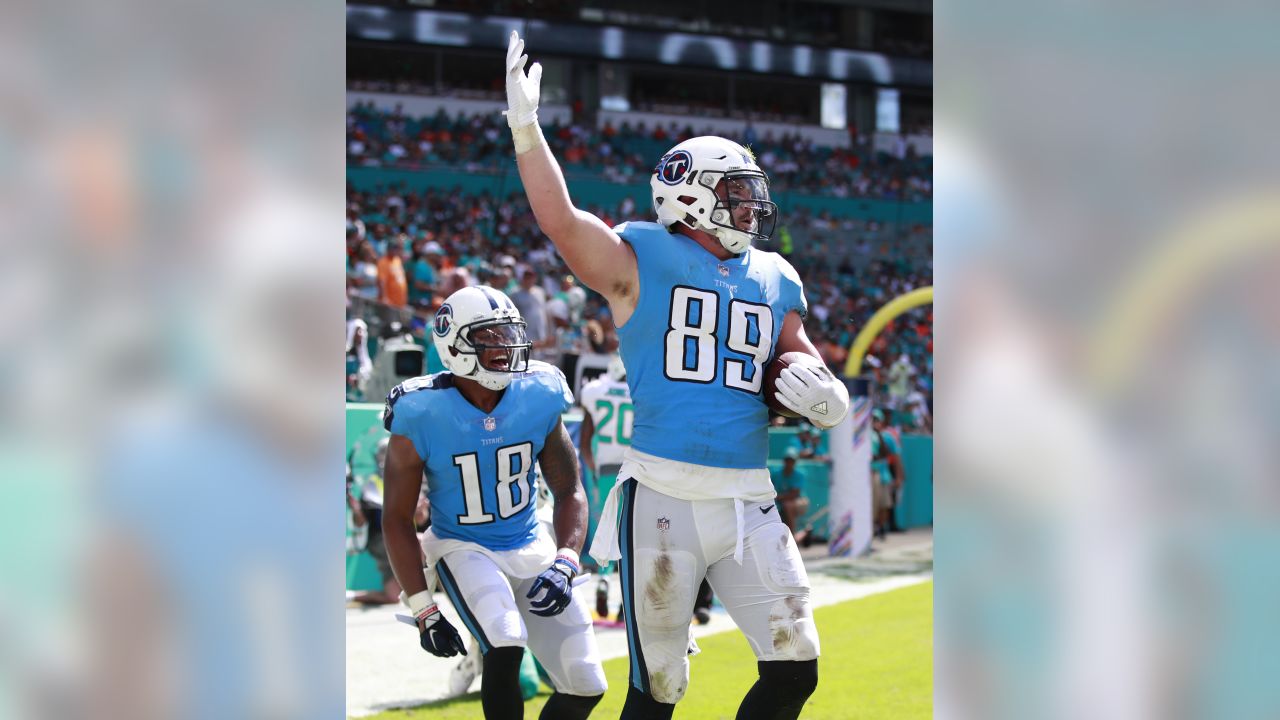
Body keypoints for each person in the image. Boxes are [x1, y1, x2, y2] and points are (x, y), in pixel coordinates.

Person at [505, 31, 851, 719]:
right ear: (689, 197)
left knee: (795, 666)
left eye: (752, 194)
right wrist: (525, 128)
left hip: (749, 496)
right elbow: (564, 223)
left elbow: (795, 349)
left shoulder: (775, 275)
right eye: (734, 193)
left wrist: (824, 391)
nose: (751, 208)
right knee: (658, 689)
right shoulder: (643, 258)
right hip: (663, 497)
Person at [381, 285, 607, 720]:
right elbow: (396, 519)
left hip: (529, 541)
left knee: (586, 684)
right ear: (456, 344)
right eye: (490, 336)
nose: (506, 346)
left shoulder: (539, 392)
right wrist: (423, 608)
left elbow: (569, 489)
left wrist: (565, 559)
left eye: (509, 333)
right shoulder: (420, 410)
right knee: (504, 640)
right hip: (462, 544)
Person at [870, 409, 904, 539]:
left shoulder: (886, 436)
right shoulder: (866, 436)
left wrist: (899, 476)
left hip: (884, 474)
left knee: (885, 505)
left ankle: (880, 527)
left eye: (877, 419)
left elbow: (894, 457)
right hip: (872, 475)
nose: (874, 422)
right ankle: (874, 528)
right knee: (873, 504)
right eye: (873, 419)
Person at [771, 448, 810, 546]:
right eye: (787, 460)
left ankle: (792, 536)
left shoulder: (799, 474)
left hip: (800, 501)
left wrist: (778, 497)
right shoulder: (776, 474)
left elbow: (794, 494)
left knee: (788, 505)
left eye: (791, 461)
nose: (789, 463)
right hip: (780, 502)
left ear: (795, 462)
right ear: (784, 461)